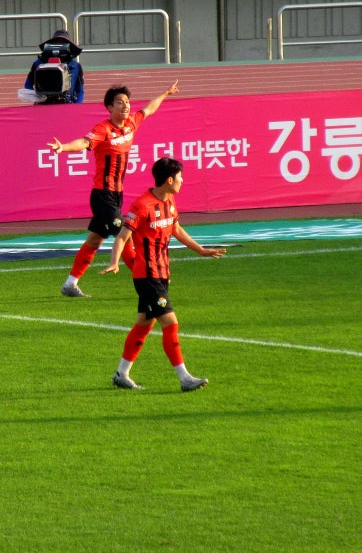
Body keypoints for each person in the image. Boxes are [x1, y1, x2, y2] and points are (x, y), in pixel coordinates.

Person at [101, 157, 226, 391]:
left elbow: (176, 228)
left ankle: (121, 374)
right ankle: (184, 378)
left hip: (162, 273)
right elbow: (122, 237)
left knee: (144, 324)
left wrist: (200, 250)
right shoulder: (141, 206)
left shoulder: (170, 201)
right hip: (146, 276)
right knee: (170, 322)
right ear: (169, 180)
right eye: (180, 177)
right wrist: (115, 262)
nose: (182, 181)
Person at [46, 80, 179, 298]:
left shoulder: (132, 123)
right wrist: (63, 148)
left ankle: (70, 284)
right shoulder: (103, 129)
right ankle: (149, 286)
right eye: (120, 102)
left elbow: (149, 109)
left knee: (95, 240)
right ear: (110, 107)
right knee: (124, 235)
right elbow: (84, 142)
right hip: (102, 196)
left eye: (127, 102)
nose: (126, 106)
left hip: (116, 195)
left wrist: (166, 92)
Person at [22, 28, 85, 105]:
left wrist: (76, 108)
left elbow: (80, 91)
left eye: (64, 43)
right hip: (43, 106)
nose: (60, 45)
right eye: (57, 42)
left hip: (67, 106)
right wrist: (37, 98)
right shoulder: (38, 64)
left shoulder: (76, 66)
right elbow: (28, 86)